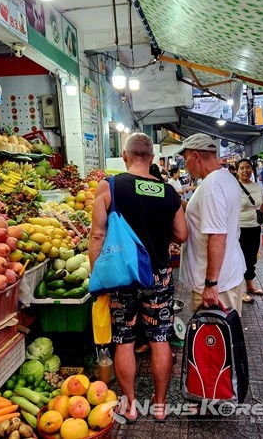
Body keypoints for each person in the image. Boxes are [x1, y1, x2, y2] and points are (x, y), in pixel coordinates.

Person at [89, 133, 188, 422]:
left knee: (124, 341)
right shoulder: (168, 191)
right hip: (158, 276)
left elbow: (97, 235)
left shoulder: (110, 187)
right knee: (159, 339)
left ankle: (130, 406)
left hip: (122, 278)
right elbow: (181, 235)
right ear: (153, 159)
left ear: (125, 156)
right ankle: (159, 406)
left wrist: (98, 279)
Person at [177, 133, 246, 315]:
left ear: (196, 156)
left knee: (212, 340)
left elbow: (217, 235)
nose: (185, 165)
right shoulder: (226, 179)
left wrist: (211, 284)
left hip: (215, 285)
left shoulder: (211, 186)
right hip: (227, 276)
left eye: (185, 159)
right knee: (225, 339)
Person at [236, 158, 263, 300]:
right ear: (237, 171)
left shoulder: (258, 187)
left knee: (251, 257)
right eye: (242, 168)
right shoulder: (234, 187)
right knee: (239, 258)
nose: (245, 170)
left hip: (255, 227)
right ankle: (239, 289)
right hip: (238, 229)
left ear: (252, 169)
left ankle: (250, 285)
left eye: (248, 167)